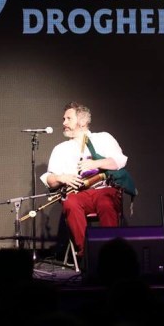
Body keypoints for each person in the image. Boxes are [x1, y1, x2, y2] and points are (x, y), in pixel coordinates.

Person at [40, 101, 127, 259]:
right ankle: (86, 254)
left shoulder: (103, 138)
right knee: (70, 203)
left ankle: (111, 254)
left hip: (104, 190)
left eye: (68, 119)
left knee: (106, 203)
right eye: (64, 119)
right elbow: (50, 180)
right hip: (79, 194)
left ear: (82, 121)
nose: (64, 123)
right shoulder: (60, 149)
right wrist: (61, 177)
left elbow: (120, 161)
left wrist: (96, 163)